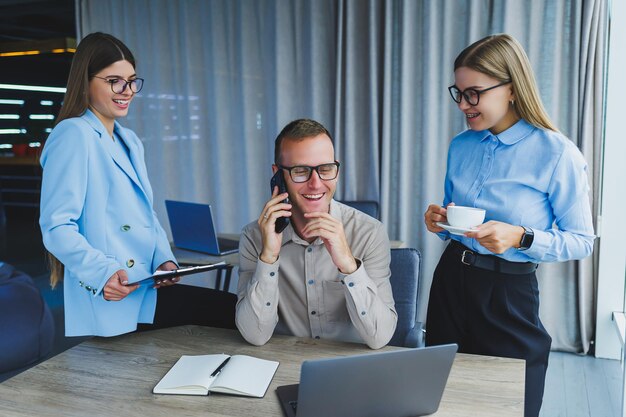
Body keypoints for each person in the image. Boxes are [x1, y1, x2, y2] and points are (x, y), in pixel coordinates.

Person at [423, 34, 595, 417]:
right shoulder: (461, 145)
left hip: (509, 291)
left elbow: (582, 241)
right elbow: (457, 218)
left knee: (511, 404)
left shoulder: (557, 153)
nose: (464, 105)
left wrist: (521, 236)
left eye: (474, 94)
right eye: (459, 93)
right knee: (438, 398)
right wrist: (440, 220)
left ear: (512, 89)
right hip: (451, 279)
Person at [39, 32, 235, 337]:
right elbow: (56, 227)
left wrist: (165, 261)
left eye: (132, 81)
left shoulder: (129, 139)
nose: (127, 90)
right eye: (114, 80)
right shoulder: (73, 134)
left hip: (144, 284)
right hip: (114, 291)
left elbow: (147, 217)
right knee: (231, 313)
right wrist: (102, 274)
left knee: (235, 312)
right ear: (86, 81)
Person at [235, 119, 397, 349]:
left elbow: (380, 337)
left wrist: (348, 266)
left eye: (325, 169)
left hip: (349, 371)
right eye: (300, 171)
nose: (316, 183)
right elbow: (255, 335)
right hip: (282, 366)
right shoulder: (254, 237)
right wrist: (268, 257)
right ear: (278, 175)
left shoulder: (370, 233)